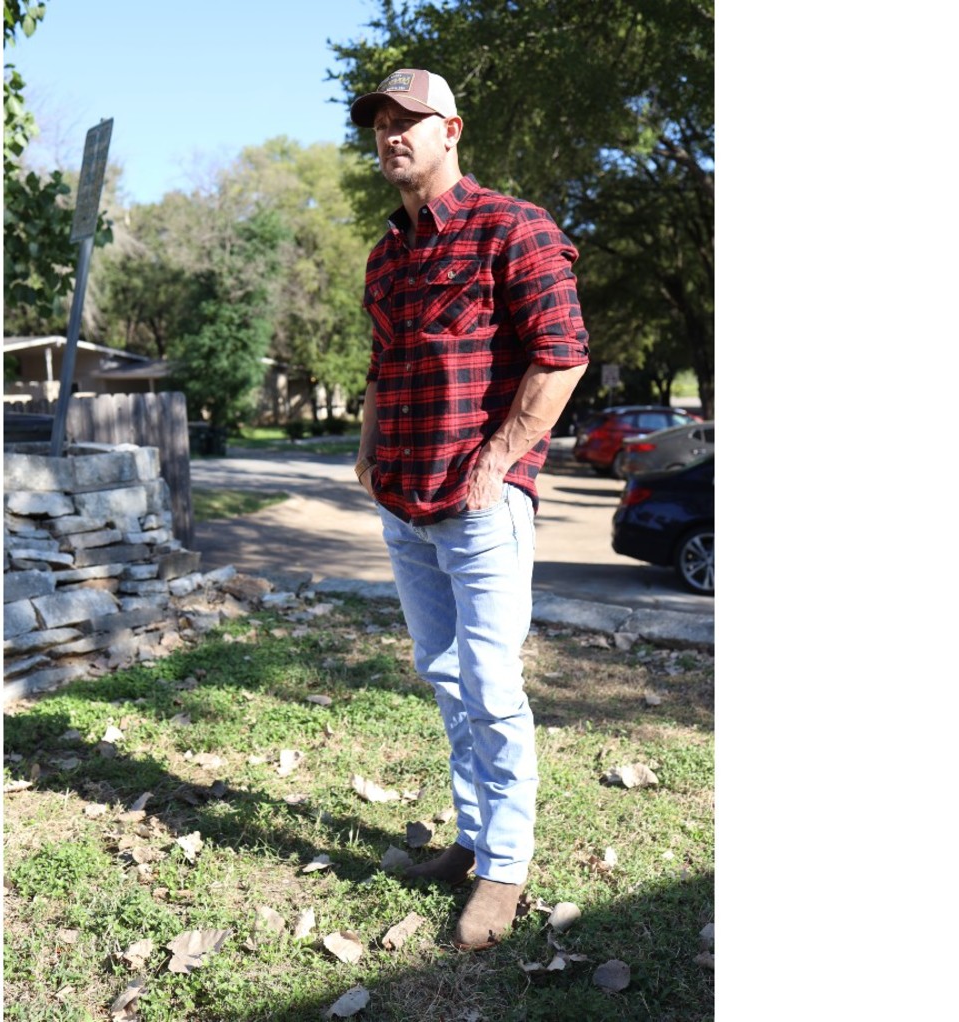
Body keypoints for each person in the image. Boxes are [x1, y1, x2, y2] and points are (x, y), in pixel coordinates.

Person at [350, 68, 591, 950]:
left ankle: (506, 869)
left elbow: (561, 358)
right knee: (446, 679)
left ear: (452, 129)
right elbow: (381, 369)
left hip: (482, 505)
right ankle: (470, 838)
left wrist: (499, 457)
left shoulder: (513, 229)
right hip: (404, 506)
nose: (391, 136)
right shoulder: (386, 256)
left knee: (491, 688)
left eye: (408, 121)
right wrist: (369, 456)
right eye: (380, 123)